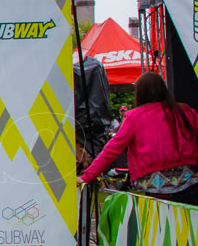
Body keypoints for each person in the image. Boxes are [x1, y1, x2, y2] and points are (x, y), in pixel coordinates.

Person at [78, 72, 198, 205]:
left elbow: (111, 150)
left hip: (155, 188)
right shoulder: (185, 111)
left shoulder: (134, 117)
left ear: (140, 92)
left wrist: (86, 177)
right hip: (190, 182)